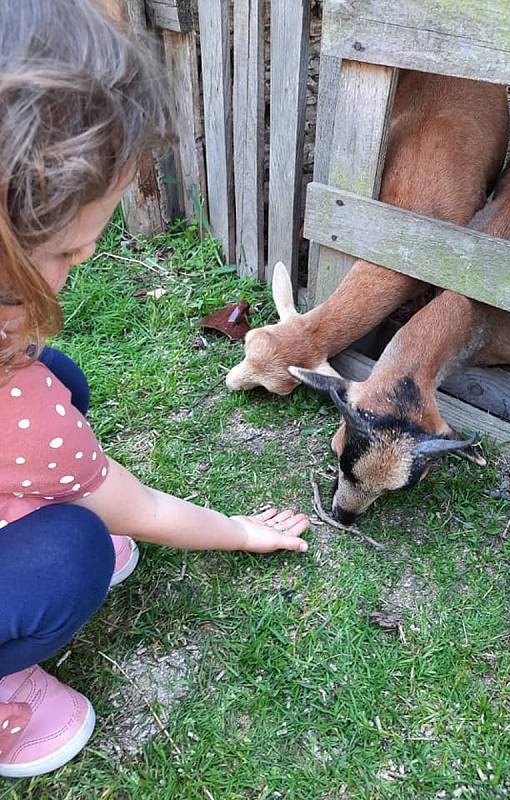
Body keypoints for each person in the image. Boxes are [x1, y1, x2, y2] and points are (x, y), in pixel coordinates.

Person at [0, 0, 309, 778]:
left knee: (60, 373)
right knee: (76, 553)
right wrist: (238, 531)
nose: (90, 257)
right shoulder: (23, 412)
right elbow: (137, 508)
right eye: (69, 251)